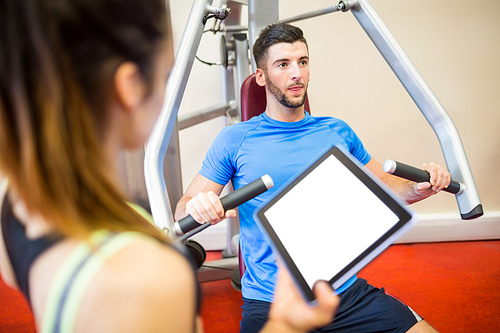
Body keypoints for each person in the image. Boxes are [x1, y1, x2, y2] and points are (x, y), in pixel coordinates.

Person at [0, 2, 339, 332]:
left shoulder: (15, 205)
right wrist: (285, 326)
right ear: (130, 87)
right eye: (166, 74)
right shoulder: (152, 278)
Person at [175, 23, 451, 333]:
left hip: (342, 293)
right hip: (271, 301)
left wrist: (417, 187)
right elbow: (183, 210)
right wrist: (199, 207)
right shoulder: (235, 139)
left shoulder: (336, 130)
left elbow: (385, 187)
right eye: (283, 64)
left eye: (302, 62)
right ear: (261, 76)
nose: (297, 73)